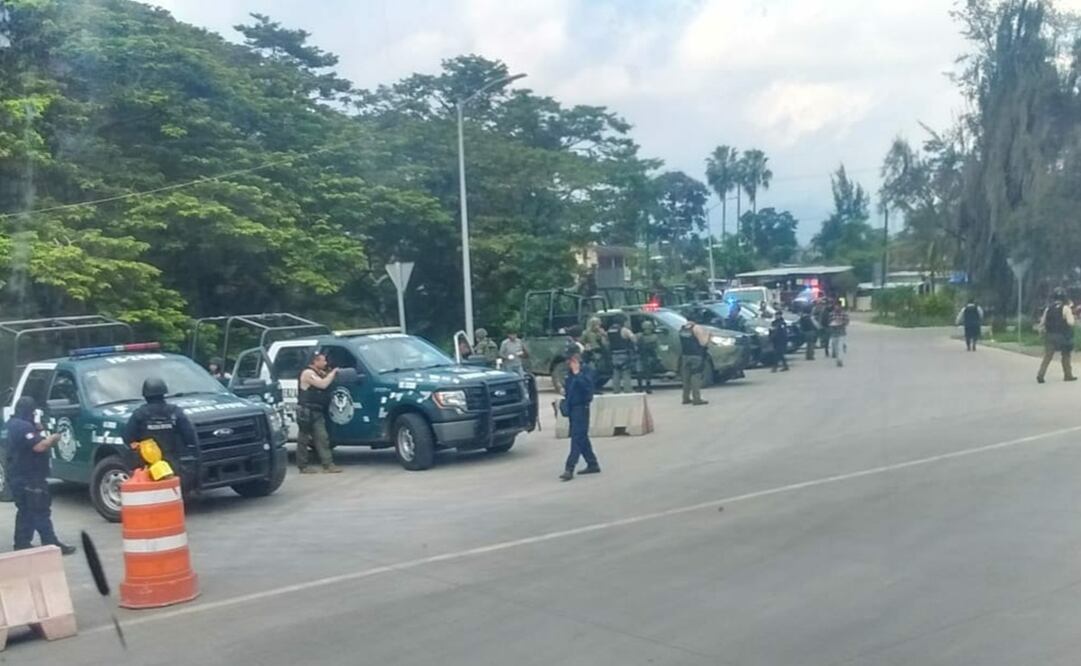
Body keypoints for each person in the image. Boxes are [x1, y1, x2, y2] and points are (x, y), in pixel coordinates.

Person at [7, 397, 76, 555]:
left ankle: (22, 542)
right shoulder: (23, 427)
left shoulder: (13, 424)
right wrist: (53, 438)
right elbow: (39, 446)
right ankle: (50, 542)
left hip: (19, 475)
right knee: (40, 510)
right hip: (29, 477)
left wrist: (38, 428)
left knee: (25, 511)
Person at [124, 376, 199, 476]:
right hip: (173, 462)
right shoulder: (175, 411)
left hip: (148, 465)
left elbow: (127, 437)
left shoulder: (139, 414)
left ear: (145, 395)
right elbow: (189, 435)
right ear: (164, 393)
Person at [296, 350, 342, 473]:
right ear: (315, 361)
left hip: (317, 410)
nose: (325, 363)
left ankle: (328, 464)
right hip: (306, 411)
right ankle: (303, 466)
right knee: (304, 439)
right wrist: (332, 373)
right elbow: (322, 385)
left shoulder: (318, 372)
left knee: (322, 438)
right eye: (323, 360)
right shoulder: (307, 373)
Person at [559, 349, 600, 481]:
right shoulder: (569, 373)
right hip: (572, 408)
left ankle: (569, 468)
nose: (567, 363)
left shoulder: (585, 371)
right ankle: (592, 463)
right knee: (581, 437)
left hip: (582, 408)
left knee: (577, 438)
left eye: (569, 360)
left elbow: (588, 389)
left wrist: (577, 375)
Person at [1037, 288, 1077, 383]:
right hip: (1063, 336)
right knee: (1066, 355)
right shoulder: (1066, 308)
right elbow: (1071, 322)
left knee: (1047, 356)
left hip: (1050, 335)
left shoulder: (1048, 308)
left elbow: (1042, 322)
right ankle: (1068, 375)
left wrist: (1041, 332)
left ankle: (1041, 374)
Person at [679, 316, 711, 406]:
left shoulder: (682, 329)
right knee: (695, 377)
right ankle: (696, 399)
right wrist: (708, 336)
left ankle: (685, 398)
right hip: (696, 356)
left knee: (686, 378)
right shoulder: (696, 328)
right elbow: (703, 343)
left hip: (685, 356)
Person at [606, 314, 637, 393]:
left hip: (614, 354)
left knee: (616, 373)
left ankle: (616, 390)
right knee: (626, 372)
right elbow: (633, 339)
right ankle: (627, 389)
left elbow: (606, 342)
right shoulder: (624, 330)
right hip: (624, 353)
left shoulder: (609, 330)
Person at [636, 319, 660, 394]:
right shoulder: (654, 337)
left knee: (640, 372)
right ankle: (647, 388)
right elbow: (656, 347)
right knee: (647, 373)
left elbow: (636, 345)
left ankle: (640, 388)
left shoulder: (639, 336)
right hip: (648, 356)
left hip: (641, 356)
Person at [828, 302, 850, 367]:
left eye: (838, 306)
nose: (836, 307)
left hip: (841, 332)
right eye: (835, 306)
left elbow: (847, 322)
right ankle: (838, 359)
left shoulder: (844, 314)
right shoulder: (831, 314)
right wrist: (832, 324)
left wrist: (841, 322)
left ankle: (840, 360)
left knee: (840, 347)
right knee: (835, 347)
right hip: (834, 333)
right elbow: (829, 322)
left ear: (840, 306)